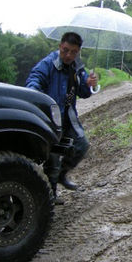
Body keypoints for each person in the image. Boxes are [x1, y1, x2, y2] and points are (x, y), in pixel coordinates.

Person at [26, 32, 98, 200]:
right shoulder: (47, 64)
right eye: (65, 50)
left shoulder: (78, 67)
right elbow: (34, 81)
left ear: (78, 52)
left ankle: (61, 175)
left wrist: (88, 84)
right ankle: (49, 197)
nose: (68, 55)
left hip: (69, 118)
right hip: (50, 119)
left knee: (82, 146)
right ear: (60, 46)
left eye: (73, 52)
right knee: (53, 159)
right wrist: (36, 94)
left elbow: (84, 93)